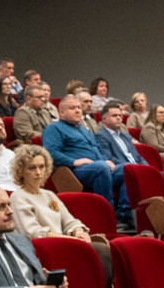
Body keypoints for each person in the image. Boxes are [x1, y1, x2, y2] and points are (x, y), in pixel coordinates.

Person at [43, 93, 129, 221]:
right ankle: (107, 215)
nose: (78, 110)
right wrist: (74, 162)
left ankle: (125, 214)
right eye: (72, 108)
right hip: (73, 171)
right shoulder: (53, 128)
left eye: (79, 107)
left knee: (127, 169)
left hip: (97, 166)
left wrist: (105, 160)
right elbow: (51, 153)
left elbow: (96, 149)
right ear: (61, 112)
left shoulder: (84, 130)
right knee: (101, 167)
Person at [8, 145, 93, 244]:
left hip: (63, 243)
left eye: (41, 167)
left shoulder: (49, 194)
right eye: (32, 168)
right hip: (43, 248)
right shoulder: (18, 197)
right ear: (21, 171)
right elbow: (33, 233)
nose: (38, 172)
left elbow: (69, 221)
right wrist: (73, 240)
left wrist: (78, 231)